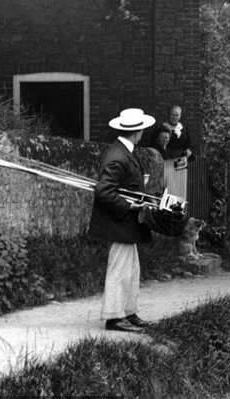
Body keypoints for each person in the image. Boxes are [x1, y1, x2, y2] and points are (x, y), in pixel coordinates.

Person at [89, 108, 156, 333]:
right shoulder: (118, 155)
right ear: (138, 132)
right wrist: (129, 205)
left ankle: (128, 312)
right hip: (118, 222)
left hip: (125, 223)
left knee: (131, 268)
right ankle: (114, 317)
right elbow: (104, 191)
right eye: (142, 130)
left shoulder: (124, 150)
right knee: (119, 269)